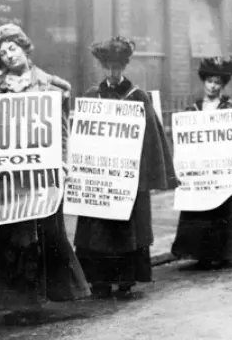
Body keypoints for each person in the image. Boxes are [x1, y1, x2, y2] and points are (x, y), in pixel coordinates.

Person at [0, 23, 90, 325]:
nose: (9, 55)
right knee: (9, 237)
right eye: (3, 53)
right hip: (6, 177)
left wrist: (64, 161)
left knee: (43, 235)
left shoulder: (52, 87)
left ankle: (39, 299)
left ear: (25, 48)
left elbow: (62, 132)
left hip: (42, 175)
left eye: (13, 48)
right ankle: (15, 302)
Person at [73, 36, 177, 299]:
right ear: (102, 68)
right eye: (108, 67)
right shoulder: (91, 96)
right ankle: (99, 280)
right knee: (98, 231)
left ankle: (125, 279)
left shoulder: (138, 97)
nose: (112, 73)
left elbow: (152, 140)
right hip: (99, 176)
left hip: (127, 178)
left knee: (125, 231)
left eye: (117, 67)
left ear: (124, 67)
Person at [171, 52, 232, 269]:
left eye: (217, 83)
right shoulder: (193, 109)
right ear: (204, 82)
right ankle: (200, 252)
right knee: (200, 211)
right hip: (201, 169)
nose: (212, 86)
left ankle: (221, 252)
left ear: (223, 85)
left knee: (221, 210)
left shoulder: (231, 108)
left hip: (223, 169)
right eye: (210, 81)